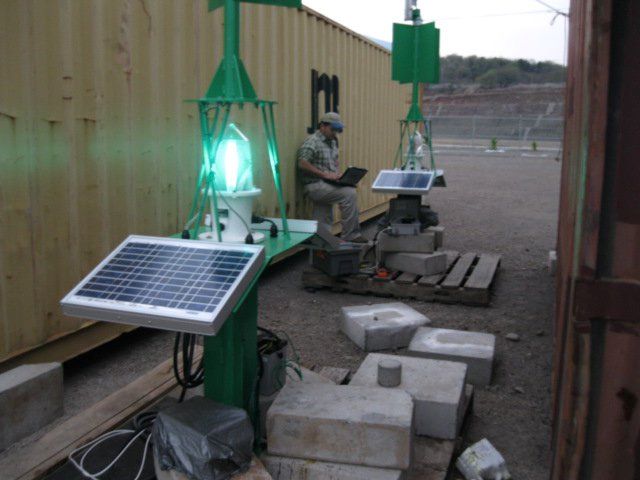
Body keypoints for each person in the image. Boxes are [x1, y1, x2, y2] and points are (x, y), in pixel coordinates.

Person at [297, 112, 367, 243]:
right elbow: (302, 163)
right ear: (322, 126)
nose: (335, 132)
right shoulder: (312, 141)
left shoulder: (333, 142)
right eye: (333, 129)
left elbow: (331, 164)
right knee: (349, 194)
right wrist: (324, 174)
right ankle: (351, 236)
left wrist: (339, 177)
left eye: (338, 130)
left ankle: (322, 242)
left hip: (326, 183)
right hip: (315, 185)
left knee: (323, 214)